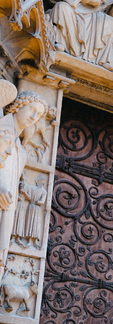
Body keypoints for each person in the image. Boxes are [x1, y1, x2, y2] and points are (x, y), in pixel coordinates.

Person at [0, 91, 48, 271]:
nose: (34, 117)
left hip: (6, 211)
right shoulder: (1, 129)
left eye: (39, 115)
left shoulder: (19, 148)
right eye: (32, 109)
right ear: (19, 105)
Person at [46, 0, 113, 70]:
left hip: (88, 14)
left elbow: (97, 4)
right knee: (62, 7)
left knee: (110, 21)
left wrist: (112, 13)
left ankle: (101, 59)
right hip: (72, 10)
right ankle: (62, 43)